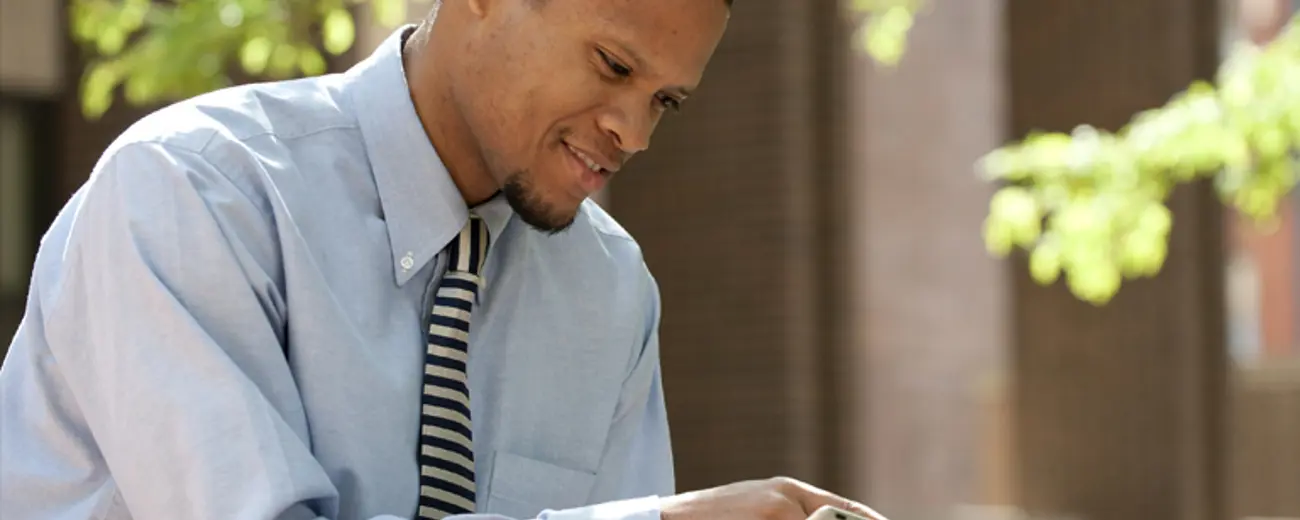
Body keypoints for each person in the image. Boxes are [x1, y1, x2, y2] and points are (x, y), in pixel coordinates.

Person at [0, 0, 886, 519]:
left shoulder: (609, 292)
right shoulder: (197, 192)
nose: (634, 131)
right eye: (613, 64)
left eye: (667, 101)